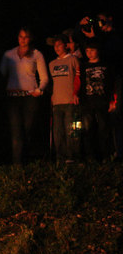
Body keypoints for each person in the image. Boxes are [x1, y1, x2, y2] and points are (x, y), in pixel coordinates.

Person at [0, 27, 49, 164]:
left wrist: (39, 90)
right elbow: (1, 75)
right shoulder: (9, 55)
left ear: (30, 38)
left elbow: (44, 78)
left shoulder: (36, 54)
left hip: (29, 96)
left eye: (26, 37)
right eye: (20, 36)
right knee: (16, 130)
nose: (23, 39)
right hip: (13, 96)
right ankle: (17, 164)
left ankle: (27, 159)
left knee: (28, 129)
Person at [81, 41, 116, 161]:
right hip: (87, 102)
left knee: (103, 129)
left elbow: (111, 83)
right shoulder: (84, 66)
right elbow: (80, 83)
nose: (89, 53)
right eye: (87, 51)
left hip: (103, 101)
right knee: (87, 129)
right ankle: (90, 157)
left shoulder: (106, 65)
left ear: (98, 50)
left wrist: (112, 100)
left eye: (92, 50)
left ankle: (105, 156)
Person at [49, 34, 81, 163]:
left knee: (70, 130)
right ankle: (60, 157)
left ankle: (72, 156)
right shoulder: (52, 63)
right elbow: (53, 82)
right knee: (58, 131)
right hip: (57, 101)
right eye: (55, 46)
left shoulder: (72, 60)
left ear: (65, 46)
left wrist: (75, 93)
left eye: (59, 45)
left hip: (70, 101)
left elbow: (78, 78)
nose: (57, 47)